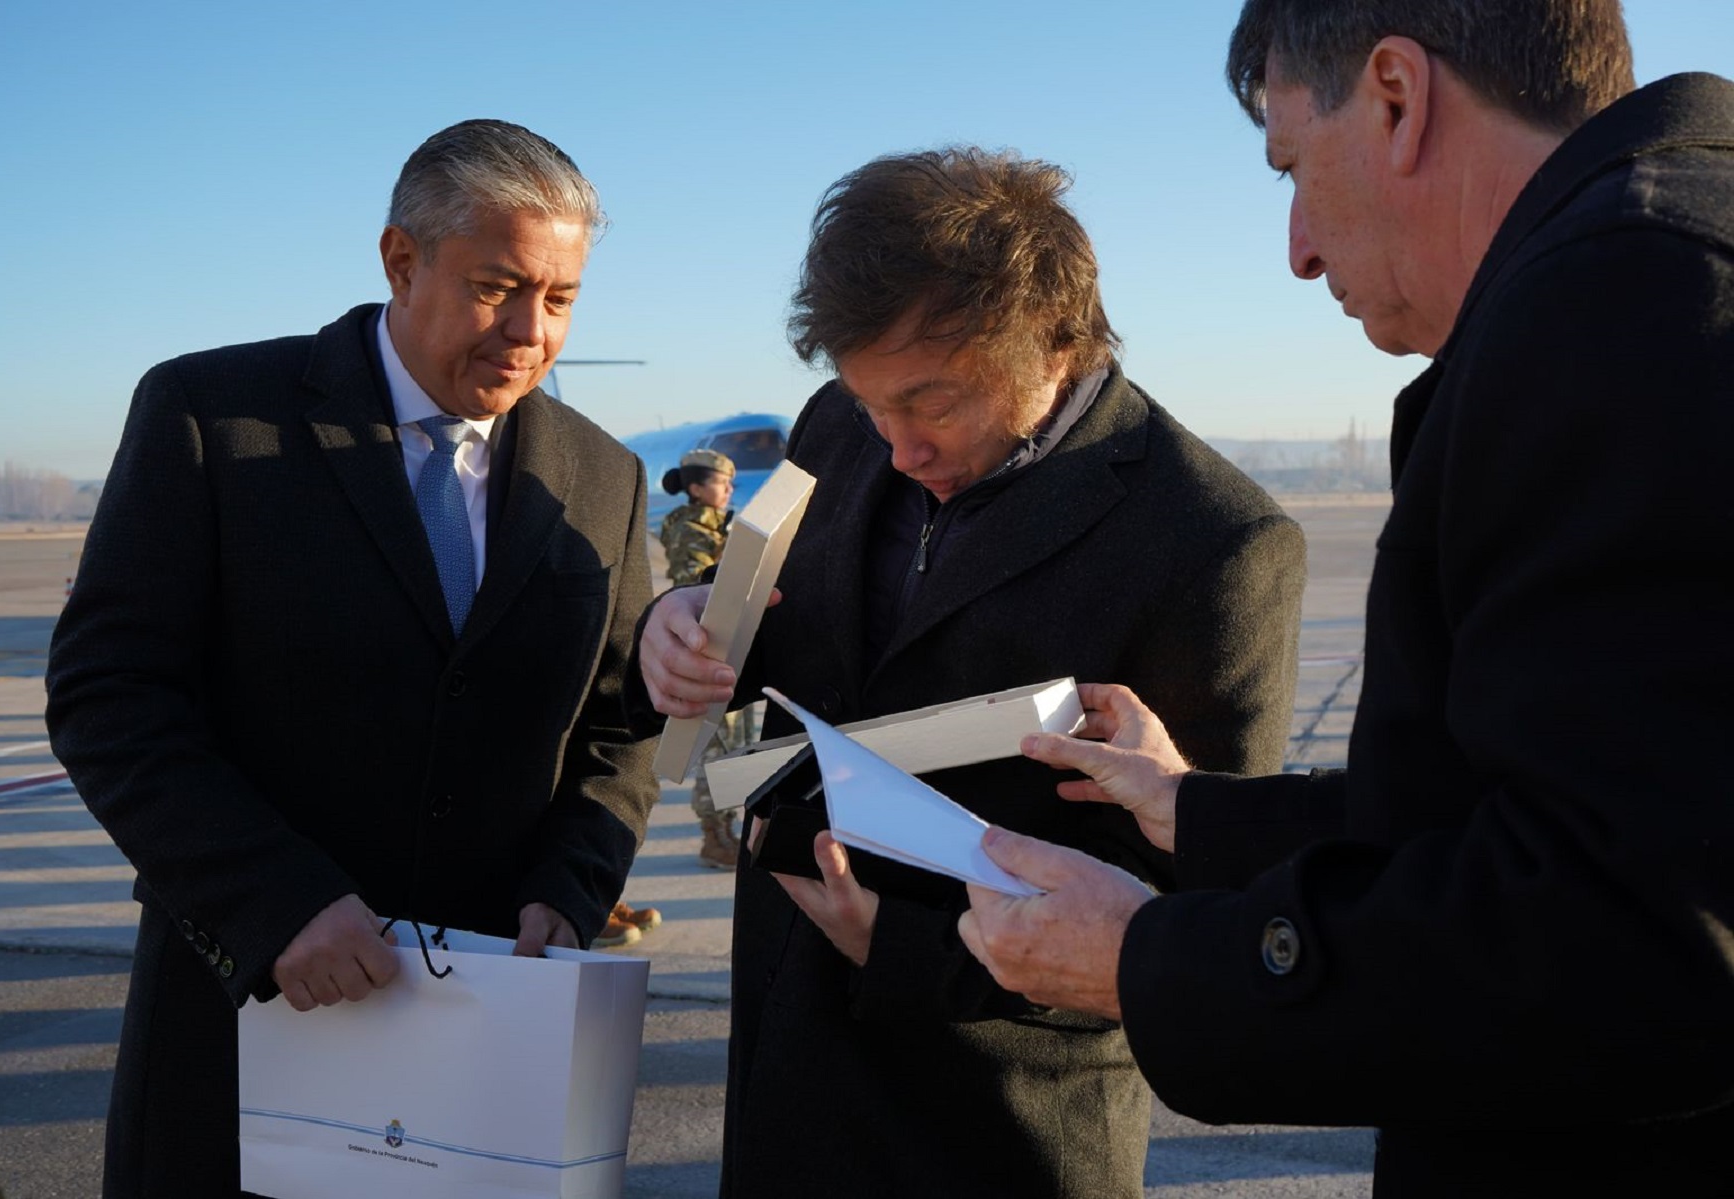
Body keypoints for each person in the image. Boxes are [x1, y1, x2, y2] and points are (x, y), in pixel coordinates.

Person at [957, 3, 1734, 1195]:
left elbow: (1628, 939)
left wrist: (1148, 961)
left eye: (1292, 169)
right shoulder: (1674, 257)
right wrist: (1196, 817)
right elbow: (1540, 807)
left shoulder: (1624, 302)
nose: (1299, 248)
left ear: (1394, 96)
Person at [635, 148, 1308, 1197]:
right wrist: (677, 623)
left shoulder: (1214, 540)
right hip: (785, 1061)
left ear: (1056, 340)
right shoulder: (838, 428)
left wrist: (905, 944)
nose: (896, 446)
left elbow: (1186, 896)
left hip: (994, 1114)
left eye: (932, 403)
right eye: (871, 407)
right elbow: (780, 622)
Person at [45, 120, 658, 1197]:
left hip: (485, 1047)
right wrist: (275, 901)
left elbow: (617, 724)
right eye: (498, 286)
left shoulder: (600, 476)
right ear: (400, 260)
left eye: (559, 299)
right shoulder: (215, 419)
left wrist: (568, 890)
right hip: (248, 1018)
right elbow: (110, 696)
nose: (529, 332)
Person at [658, 447, 746, 870]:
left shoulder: (716, 526)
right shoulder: (692, 530)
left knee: (735, 746)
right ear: (695, 488)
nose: (729, 489)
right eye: (719, 482)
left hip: (730, 650)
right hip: (707, 651)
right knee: (717, 747)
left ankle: (727, 827)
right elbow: (697, 587)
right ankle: (715, 836)